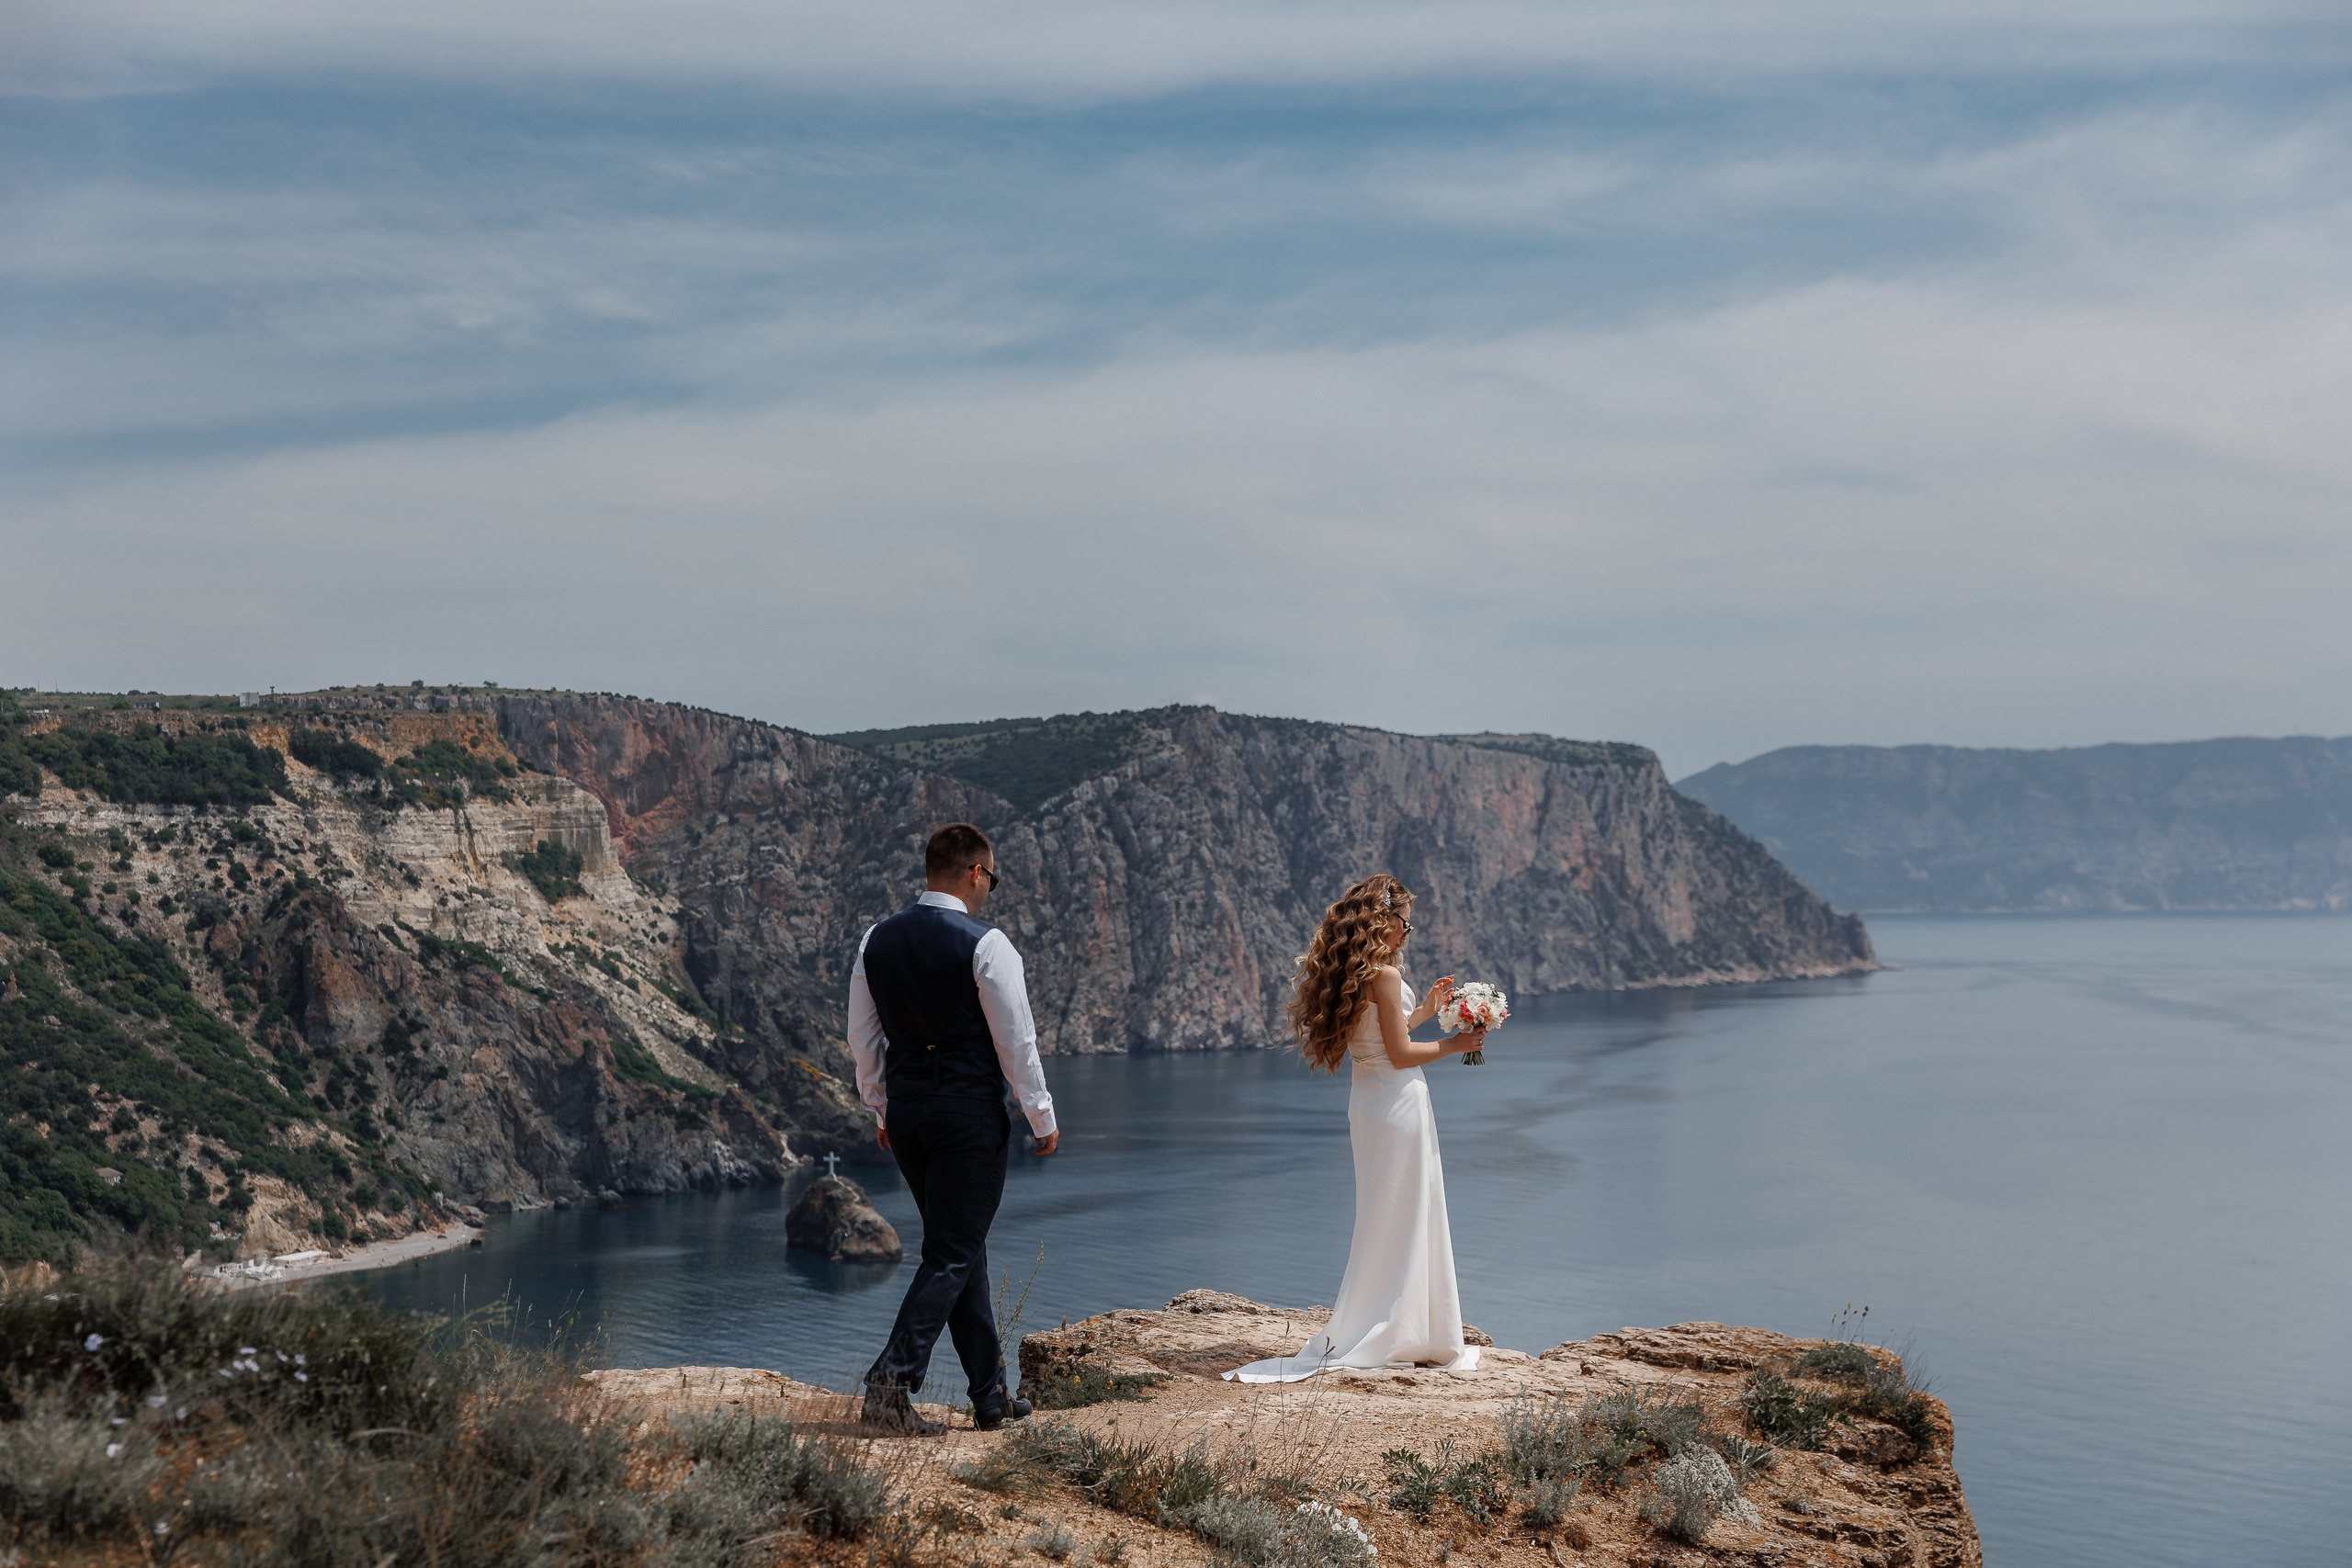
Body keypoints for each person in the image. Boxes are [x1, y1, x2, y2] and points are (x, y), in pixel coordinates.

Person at [1226, 874, 1489, 1382]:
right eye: (1404, 923)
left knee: (1386, 1211)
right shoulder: (1386, 977)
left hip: (1370, 1102)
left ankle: (1396, 1322)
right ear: (1382, 920)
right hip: (1398, 1102)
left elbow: (1381, 1038)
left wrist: (1429, 1012)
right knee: (1408, 1209)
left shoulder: (1361, 974)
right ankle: (1407, 1329)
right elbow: (1400, 1054)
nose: (1407, 933)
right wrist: (1457, 1045)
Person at [848, 822, 1060, 1434]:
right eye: (991, 876)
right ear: (974, 872)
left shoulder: (875, 940)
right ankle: (890, 1383)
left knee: (959, 1242)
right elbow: (1016, 1041)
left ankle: (990, 1394)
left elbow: (863, 1038)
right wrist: (1040, 1115)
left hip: (909, 1114)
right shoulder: (988, 945)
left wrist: (879, 1107)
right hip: (966, 1114)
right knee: (953, 1247)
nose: (991, 887)